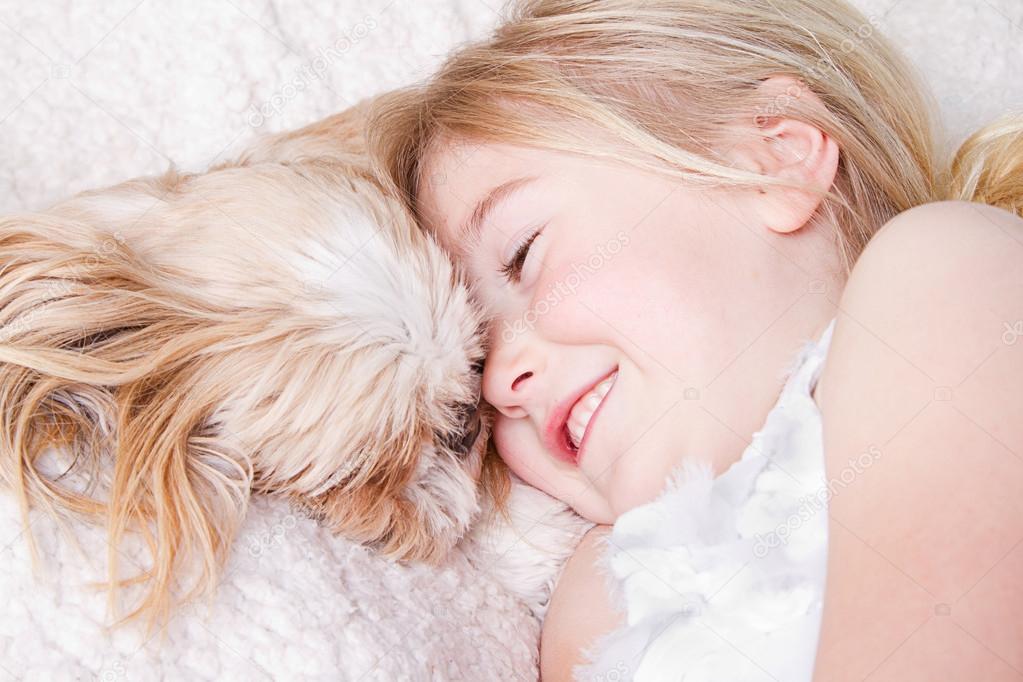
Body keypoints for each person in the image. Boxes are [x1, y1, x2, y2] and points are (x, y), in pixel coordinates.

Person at [369, 0, 1023, 679]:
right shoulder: (600, 600)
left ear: (773, 158)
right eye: (475, 355)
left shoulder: (949, 276)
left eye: (523, 253)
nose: (499, 381)